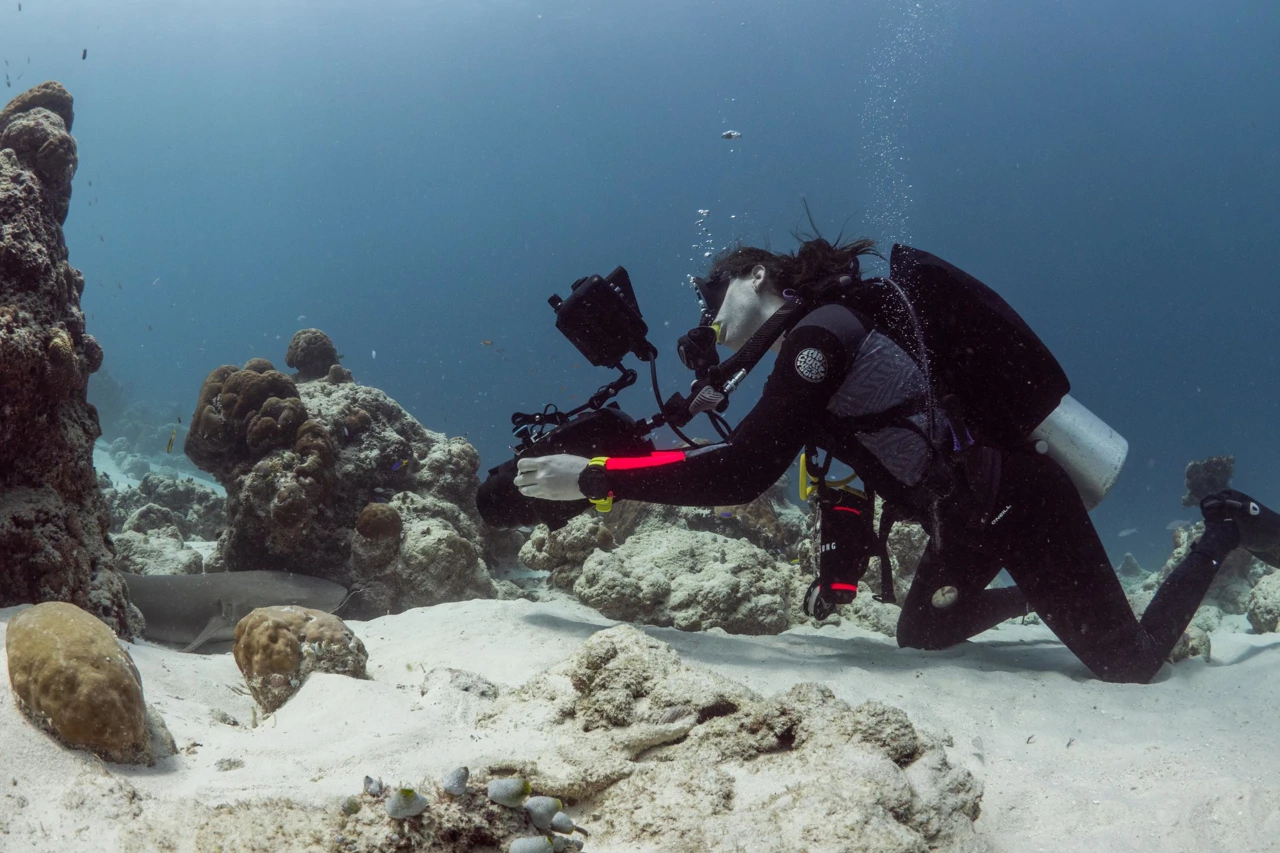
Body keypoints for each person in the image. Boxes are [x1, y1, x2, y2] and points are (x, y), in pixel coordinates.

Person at [514, 233, 1280, 683]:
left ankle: (1225, 523)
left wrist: (593, 478)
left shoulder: (819, 337)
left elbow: (745, 470)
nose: (710, 319)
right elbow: (814, 468)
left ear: (758, 276)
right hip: (967, 519)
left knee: (1131, 664)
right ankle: (1042, 598)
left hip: (1019, 497)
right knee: (922, 634)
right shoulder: (803, 352)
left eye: (715, 296)